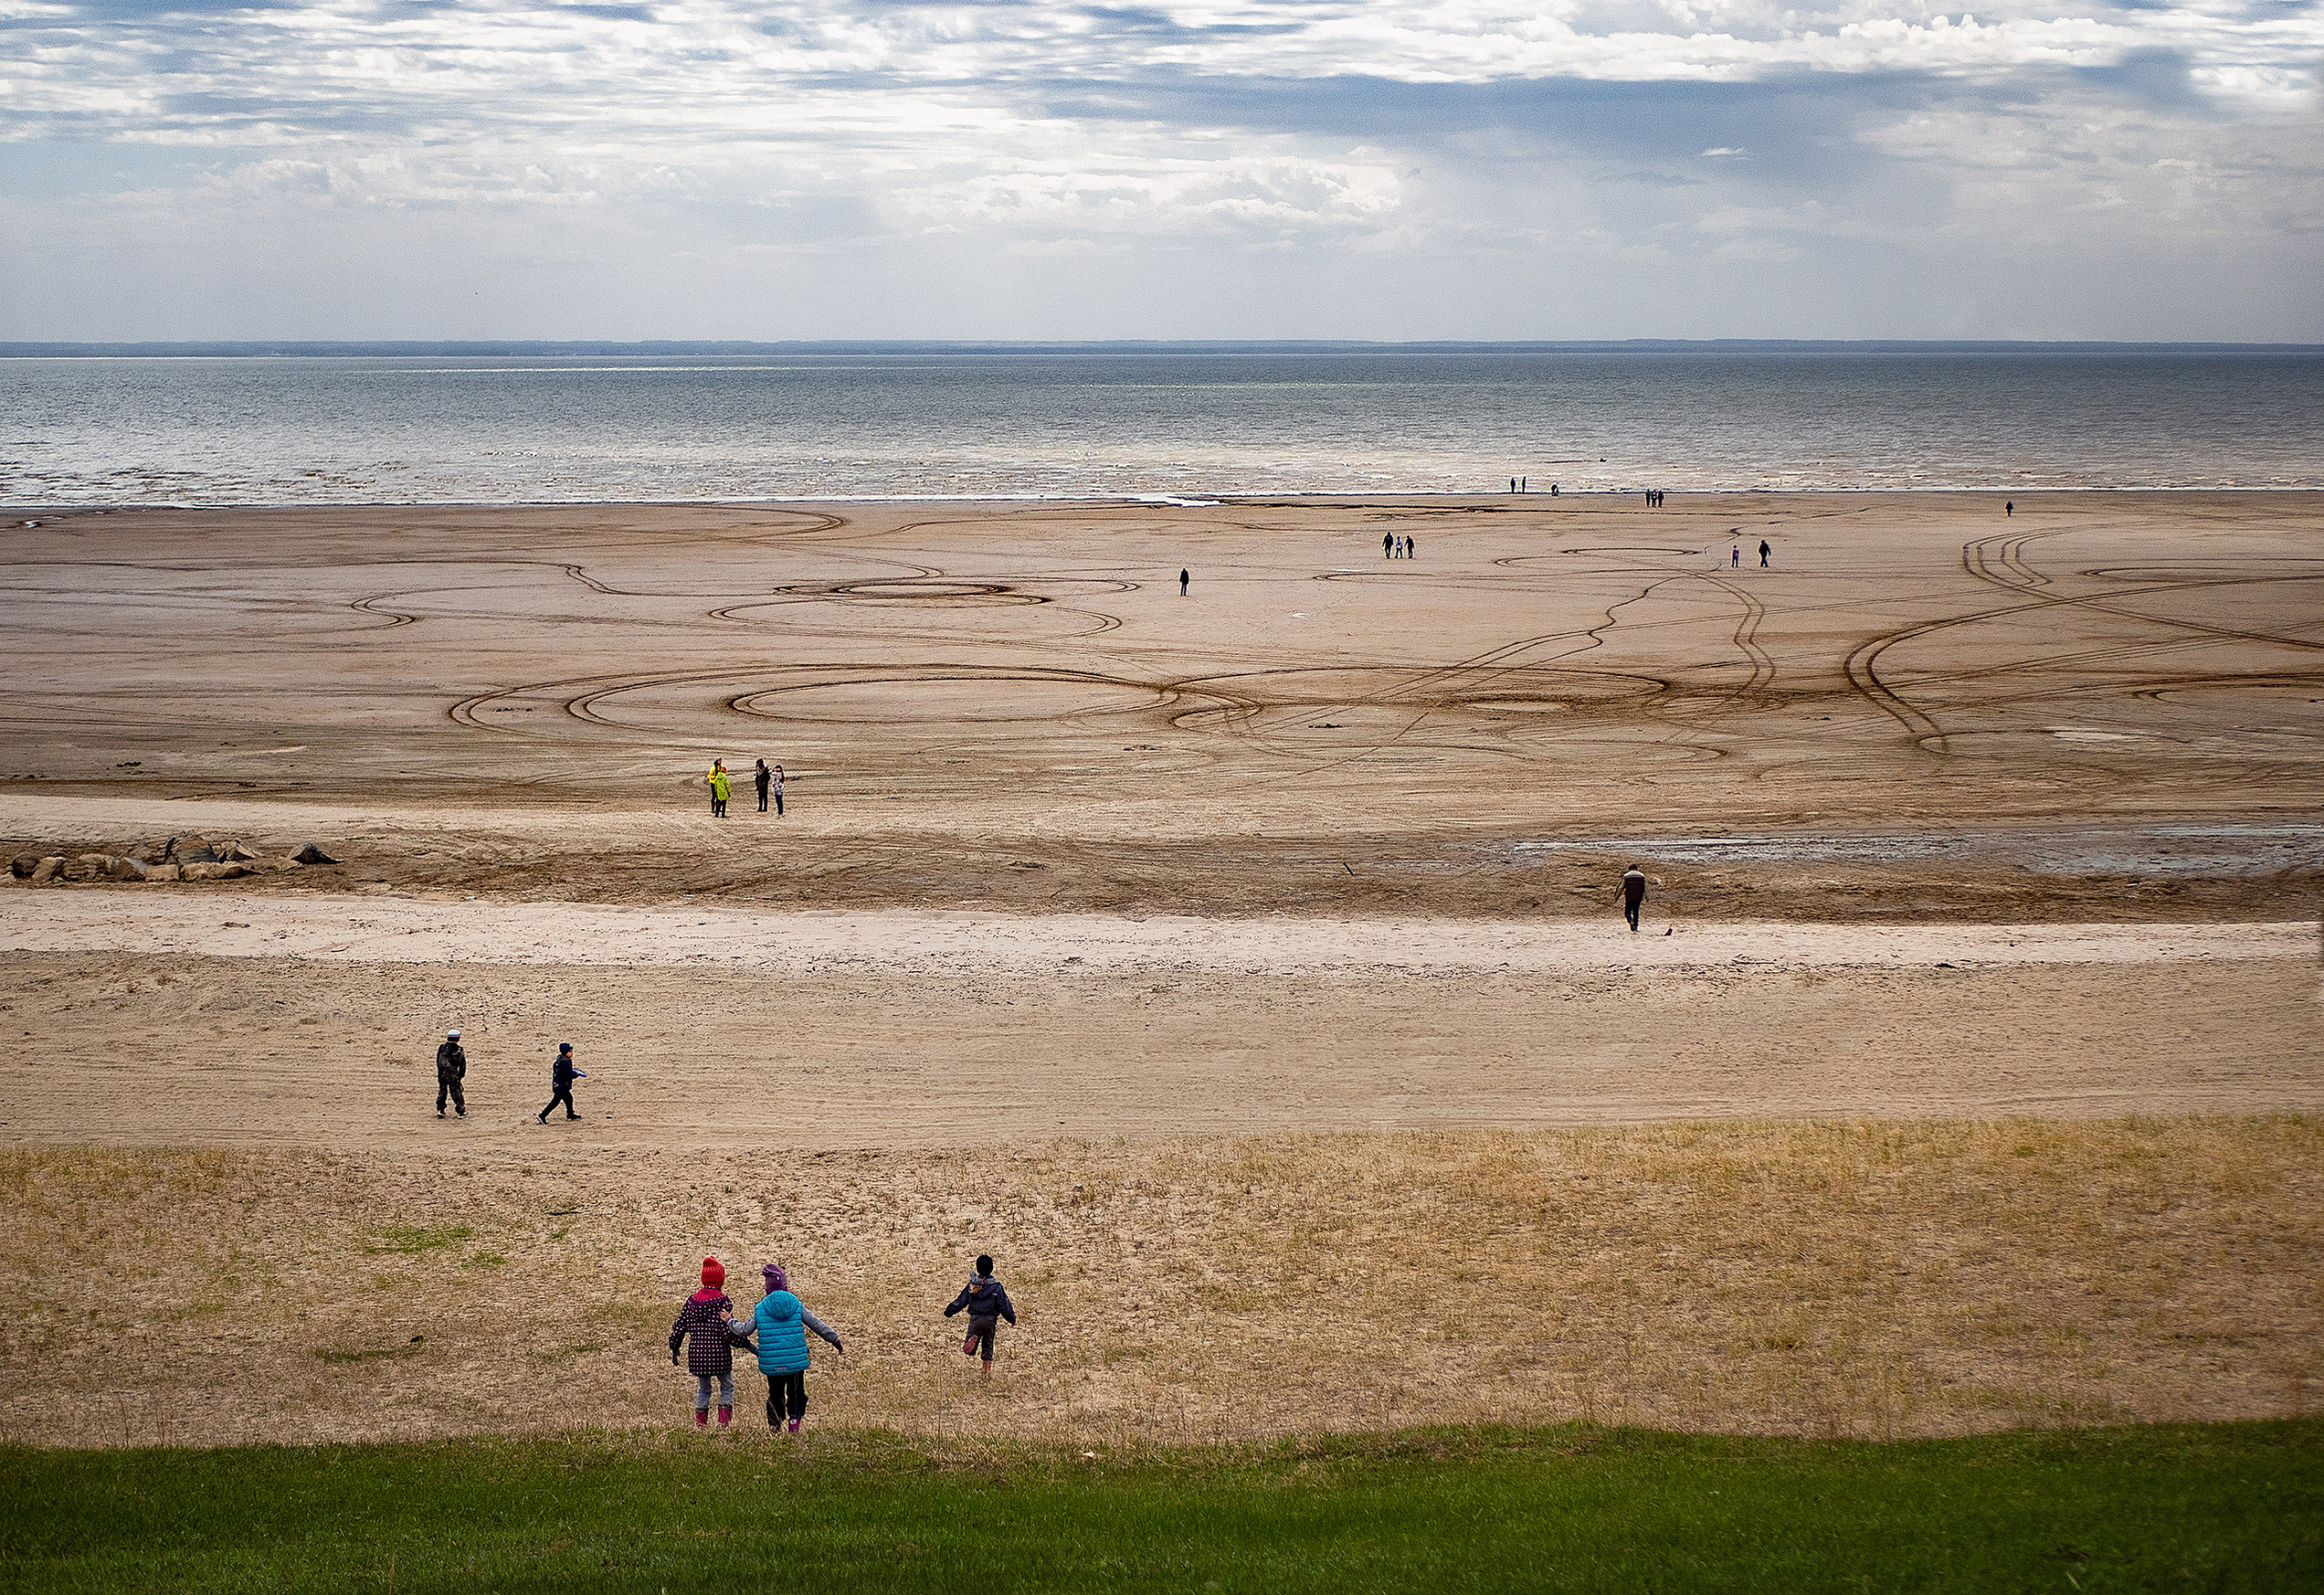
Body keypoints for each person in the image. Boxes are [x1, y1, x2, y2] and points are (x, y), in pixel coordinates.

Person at [744, 1263, 843, 1434]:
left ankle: (775, 1426)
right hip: (795, 1362)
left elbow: (745, 1330)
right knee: (796, 1393)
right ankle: (794, 1423)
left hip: (772, 1362)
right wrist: (833, 1338)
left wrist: (728, 1321)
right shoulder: (795, 1304)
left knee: (775, 1394)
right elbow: (816, 1323)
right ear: (784, 1284)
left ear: (767, 1286)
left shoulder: (761, 1308)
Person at [670, 1257, 738, 1431]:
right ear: (720, 1279)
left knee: (704, 1389)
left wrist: (674, 1346)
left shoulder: (691, 1302)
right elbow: (727, 1330)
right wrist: (744, 1342)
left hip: (698, 1355)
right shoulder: (723, 1302)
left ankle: (700, 1426)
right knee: (727, 1387)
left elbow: (679, 1326)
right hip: (719, 1354)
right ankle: (723, 1426)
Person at [942, 1254, 1018, 1377]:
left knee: (972, 1341)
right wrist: (1012, 1318)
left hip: (975, 1318)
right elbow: (1004, 1305)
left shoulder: (972, 1285)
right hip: (990, 1320)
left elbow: (961, 1301)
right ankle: (985, 1372)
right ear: (992, 1268)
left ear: (977, 1268)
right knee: (988, 1344)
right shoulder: (996, 1287)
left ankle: (971, 1342)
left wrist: (949, 1311)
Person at [536, 1042, 583, 1123]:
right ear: (566, 1052)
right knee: (555, 1101)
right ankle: (542, 1115)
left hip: (557, 1084)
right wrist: (576, 1074)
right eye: (570, 1052)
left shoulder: (559, 1059)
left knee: (568, 1098)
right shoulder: (566, 1061)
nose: (572, 1053)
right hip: (562, 1085)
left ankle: (570, 1115)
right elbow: (568, 1075)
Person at [435, 1029, 467, 1117]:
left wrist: (440, 1070)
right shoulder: (459, 1050)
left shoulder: (441, 1048)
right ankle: (460, 1111)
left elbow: (438, 1060)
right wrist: (461, 1076)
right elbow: (462, 1064)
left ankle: (440, 1109)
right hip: (453, 1074)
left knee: (442, 1091)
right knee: (456, 1092)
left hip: (442, 1073)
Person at [1621, 865, 1647, 933]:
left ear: (1629, 869)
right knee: (1636, 911)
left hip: (1629, 895)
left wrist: (1616, 897)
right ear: (1637, 869)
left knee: (1627, 911)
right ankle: (1635, 927)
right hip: (1639, 895)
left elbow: (1621, 887)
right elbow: (1646, 887)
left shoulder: (1626, 876)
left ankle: (1630, 920)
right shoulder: (1642, 876)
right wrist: (1647, 897)